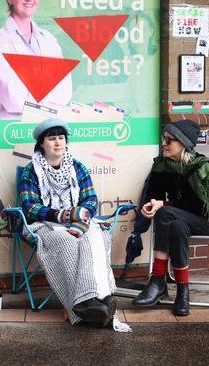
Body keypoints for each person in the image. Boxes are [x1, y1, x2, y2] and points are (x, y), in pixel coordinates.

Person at [20, 118, 128, 330]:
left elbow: (90, 200)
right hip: (42, 224)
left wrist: (81, 213)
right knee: (67, 243)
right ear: (42, 143)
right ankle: (81, 304)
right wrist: (62, 215)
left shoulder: (77, 167)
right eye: (52, 138)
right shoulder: (31, 170)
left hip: (78, 222)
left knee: (96, 238)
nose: (58, 142)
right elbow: (29, 207)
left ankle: (99, 298)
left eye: (61, 138)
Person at [132, 120, 209, 316]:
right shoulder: (163, 166)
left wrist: (162, 206)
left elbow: (202, 209)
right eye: (164, 139)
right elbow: (154, 196)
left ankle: (157, 279)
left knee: (165, 213)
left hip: (206, 222)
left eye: (169, 140)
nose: (164, 143)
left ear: (183, 144)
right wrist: (149, 207)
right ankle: (183, 290)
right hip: (180, 221)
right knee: (177, 227)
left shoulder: (201, 169)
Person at [0, 0, 73, 120]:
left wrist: (31, 92)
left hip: (49, 127)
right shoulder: (0, 42)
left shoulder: (49, 39)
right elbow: (13, 100)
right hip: (16, 130)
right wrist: (47, 93)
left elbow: (64, 92)